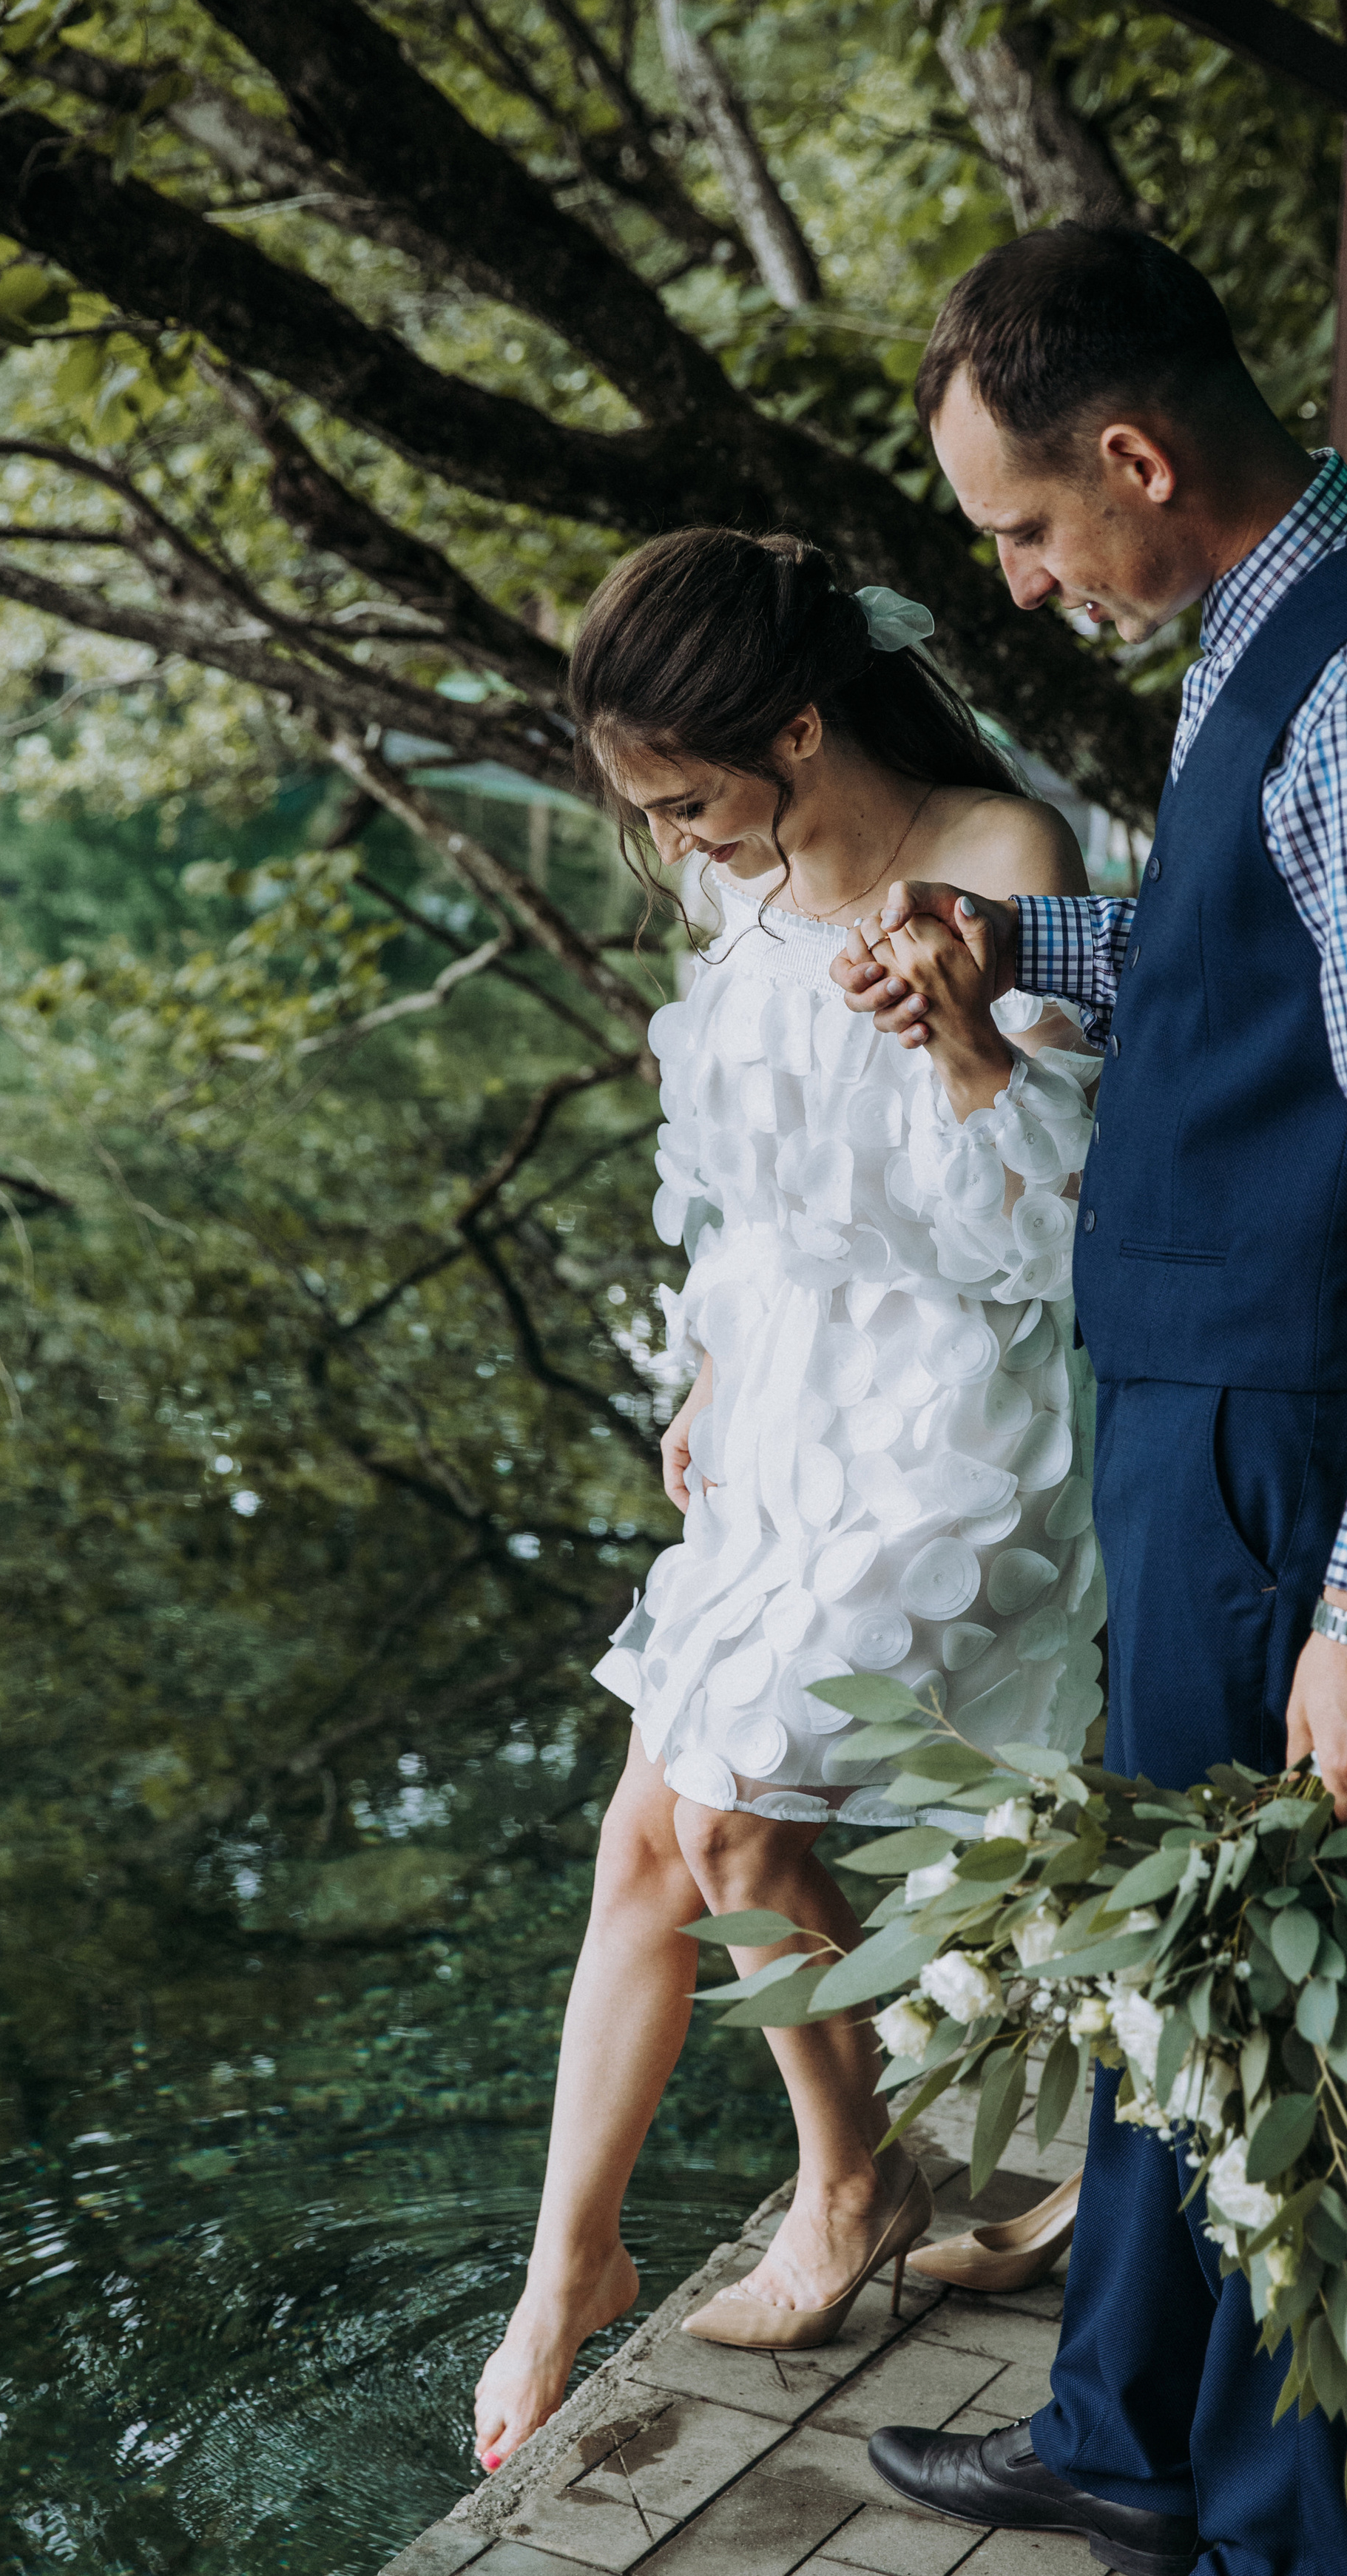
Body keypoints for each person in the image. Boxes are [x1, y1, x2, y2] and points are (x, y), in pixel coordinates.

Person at [832, 223, 1347, 2576]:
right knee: (1170, 1945)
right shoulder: (1277, 624)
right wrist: (1027, 946)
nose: (1023, 584)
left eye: (1033, 534)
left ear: (1138, 459)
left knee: (1275, 2012)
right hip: (1198, 1406)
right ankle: (1132, 2434)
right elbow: (1259, 962)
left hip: (1288, 1446)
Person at [472, 525, 1106, 2469]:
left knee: (740, 1811)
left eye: (689, 798)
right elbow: (737, 1190)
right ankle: (564, 2274)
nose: (677, 841)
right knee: (647, 1832)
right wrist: (715, 1373)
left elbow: (1056, 1244)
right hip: (794, 1416)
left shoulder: (1002, 865)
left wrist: (969, 1039)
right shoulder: (726, 890)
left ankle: (856, 2187)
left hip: (966, 1414)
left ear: (805, 726)